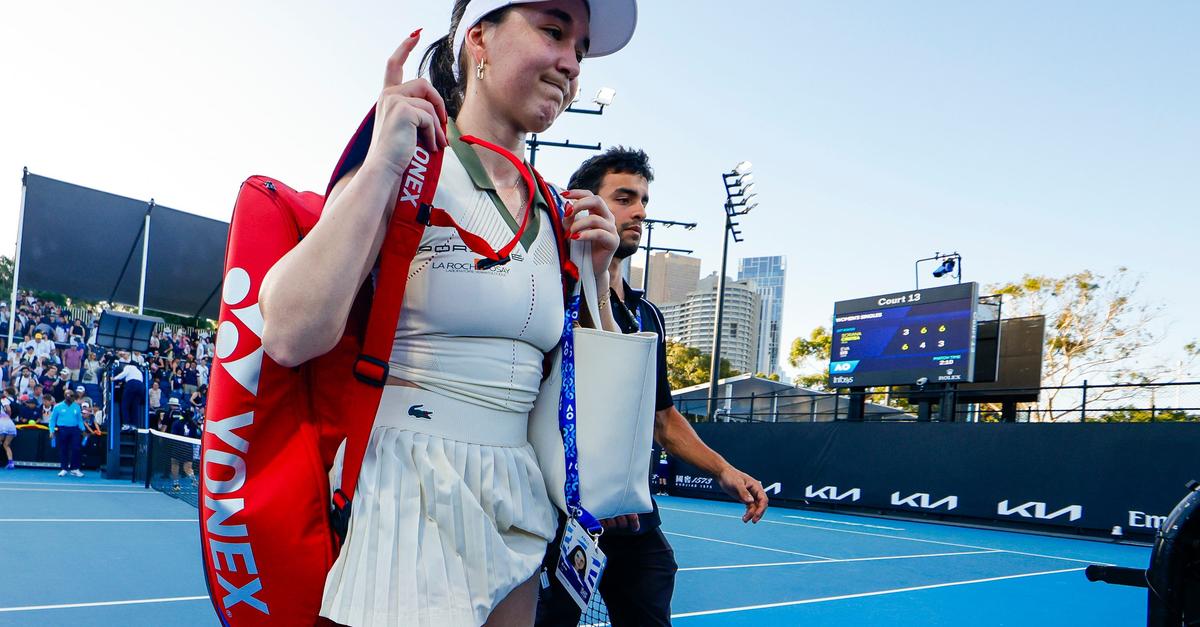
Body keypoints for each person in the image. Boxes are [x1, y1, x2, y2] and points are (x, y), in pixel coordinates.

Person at [257, 1, 636, 624]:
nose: (571, 62)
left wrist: (597, 281)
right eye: (553, 31)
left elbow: (586, 404)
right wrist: (381, 163)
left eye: (582, 48)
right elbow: (290, 333)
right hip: (405, 491)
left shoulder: (556, 212)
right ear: (478, 39)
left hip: (519, 496)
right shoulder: (408, 164)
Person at [535, 148, 770, 627]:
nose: (640, 211)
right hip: (558, 515)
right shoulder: (550, 294)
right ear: (581, 204)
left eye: (643, 199)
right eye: (624, 198)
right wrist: (589, 491)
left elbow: (661, 417)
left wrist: (723, 470)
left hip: (632, 520)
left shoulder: (648, 317)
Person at [48, 390, 85, 477]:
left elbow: (79, 420)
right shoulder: (58, 407)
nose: (71, 398)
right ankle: (64, 468)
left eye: (72, 396)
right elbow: (52, 420)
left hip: (75, 429)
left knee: (76, 448)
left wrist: (83, 430)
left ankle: (74, 469)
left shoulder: (77, 407)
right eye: (69, 396)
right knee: (63, 449)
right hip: (62, 429)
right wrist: (51, 431)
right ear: (65, 396)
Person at [111, 352, 146, 429]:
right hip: (141, 387)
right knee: (135, 406)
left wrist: (114, 378)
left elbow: (124, 374)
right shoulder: (139, 371)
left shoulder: (129, 367)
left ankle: (126, 424)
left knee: (125, 405)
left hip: (131, 384)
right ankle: (134, 425)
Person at [0, 403, 16, 469]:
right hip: (11, 426)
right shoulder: (4, 413)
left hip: (2, 426)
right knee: (6, 445)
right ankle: (11, 463)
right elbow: (8, 409)